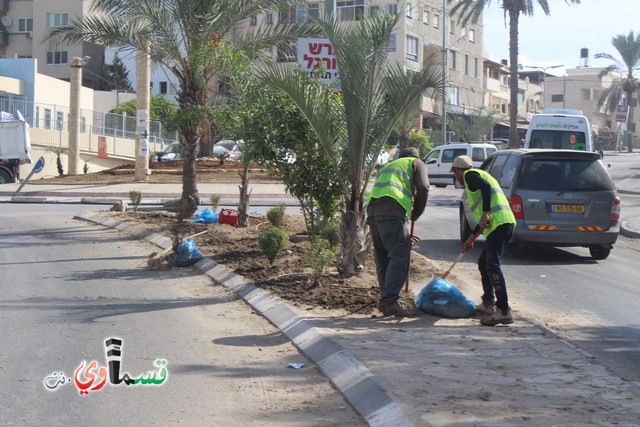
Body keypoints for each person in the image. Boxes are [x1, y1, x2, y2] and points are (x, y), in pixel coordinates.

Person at [450, 155, 516, 326]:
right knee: (483, 263)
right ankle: (488, 303)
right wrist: (470, 240)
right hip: (502, 223)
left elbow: (485, 188)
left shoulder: (470, 176)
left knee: (493, 265)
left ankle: (504, 311)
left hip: (499, 223)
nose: (456, 177)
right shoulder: (478, 175)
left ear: (458, 170)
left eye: (454, 173)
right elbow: (480, 223)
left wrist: (486, 211)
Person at [366, 147, 429, 317]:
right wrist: (417, 212)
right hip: (392, 212)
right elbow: (423, 187)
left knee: (383, 259)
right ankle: (390, 302)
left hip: (373, 212)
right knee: (400, 256)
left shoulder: (390, 165)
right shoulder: (416, 163)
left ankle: (386, 299)